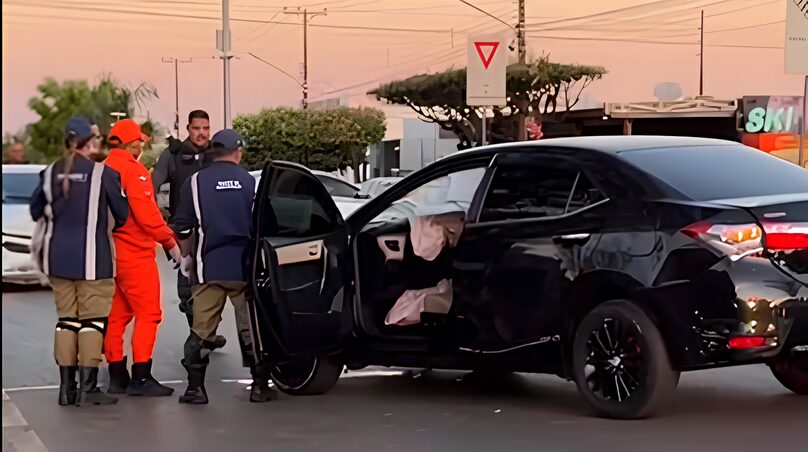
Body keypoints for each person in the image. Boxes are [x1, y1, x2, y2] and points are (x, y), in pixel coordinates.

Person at [29, 117, 128, 406]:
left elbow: (36, 211)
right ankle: (88, 388)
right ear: (91, 141)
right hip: (93, 259)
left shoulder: (50, 172)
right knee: (92, 322)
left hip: (57, 259)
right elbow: (122, 215)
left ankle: (66, 389)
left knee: (66, 321)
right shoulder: (102, 174)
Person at [173, 129, 275, 404]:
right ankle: (259, 387)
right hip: (244, 268)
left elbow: (182, 228)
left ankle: (195, 390)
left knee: (201, 330)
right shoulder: (251, 182)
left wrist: (186, 258)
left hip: (209, 268)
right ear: (238, 152)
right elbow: (266, 225)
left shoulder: (194, 182)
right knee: (251, 328)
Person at [103, 119, 182, 397]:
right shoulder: (133, 170)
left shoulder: (105, 168)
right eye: (138, 140)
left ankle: (117, 375)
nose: (141, 144)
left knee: (118, 315)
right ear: (131, 143)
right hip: (135, 253)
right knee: (149, 314)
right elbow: (147, 217)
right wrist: (170, 241)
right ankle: (141, 376)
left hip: (113, 253)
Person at [151, 110, 223, 349]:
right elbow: (150, 188)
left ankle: (207, 335)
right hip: (184, 232)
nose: (201, 133)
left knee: (215, 285)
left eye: (206, 128)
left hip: (214, 231)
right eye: (196, 128)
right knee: (188, 290)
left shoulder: (218, 153)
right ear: (188, 129)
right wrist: (160, 221)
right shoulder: (172, 155)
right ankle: (199, 336)